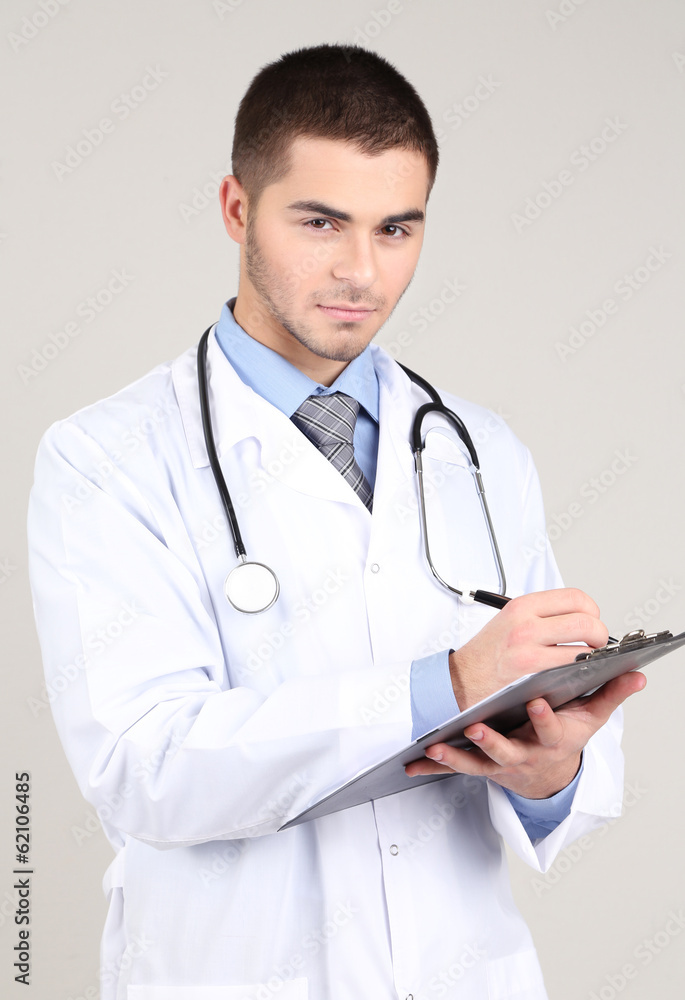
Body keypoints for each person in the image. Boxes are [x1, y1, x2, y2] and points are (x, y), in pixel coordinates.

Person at [28, 44, 644, 1000]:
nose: (361, 271)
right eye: (320, 222)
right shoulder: (105, 458)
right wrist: (438, 686)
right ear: (237, 209)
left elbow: (567, 777)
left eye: (397, 228)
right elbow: (139, 766)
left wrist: (552, 769)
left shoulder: (477, 450)